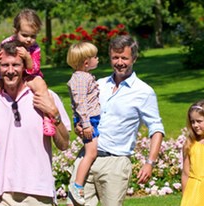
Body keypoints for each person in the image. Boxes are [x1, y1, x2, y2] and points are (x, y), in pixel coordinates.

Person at [0, 40, 71, 205]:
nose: (10, 71)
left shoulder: (45, 97)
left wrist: (54, 114)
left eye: (16, 65)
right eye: (5, 65)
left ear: (24, 67)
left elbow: (64, 144)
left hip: (37, 194)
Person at [66, 35, 165, 206]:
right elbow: (81, 108)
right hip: (88, 157)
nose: (119, 62)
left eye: (124, 58)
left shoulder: (144, 92)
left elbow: (156, 128)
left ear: (134, 58)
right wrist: (78, 126)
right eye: (115, 58)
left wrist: (150, 162)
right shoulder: (98, 84)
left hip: (115, 164)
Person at [0, 8, 56, 137]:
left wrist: (27, 57)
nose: (29, 40)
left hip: (29, 76)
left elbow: (34, 69)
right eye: (25, 35)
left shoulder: (34, 48)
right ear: (16, 31)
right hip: (5, 77)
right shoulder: (5, 44)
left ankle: (47, 119)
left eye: (33, 36)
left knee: (41, 86)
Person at [66, 42, 101, 205]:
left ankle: (77, 182)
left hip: (90, 119)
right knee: (91, 153)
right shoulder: (80, 79)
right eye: (95, 57)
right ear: (86, 62)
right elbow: (80, 102)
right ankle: (77, 185)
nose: (98, 59)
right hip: (89, 120)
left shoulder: (83, 77)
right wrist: (86, 124)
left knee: (91, 152)